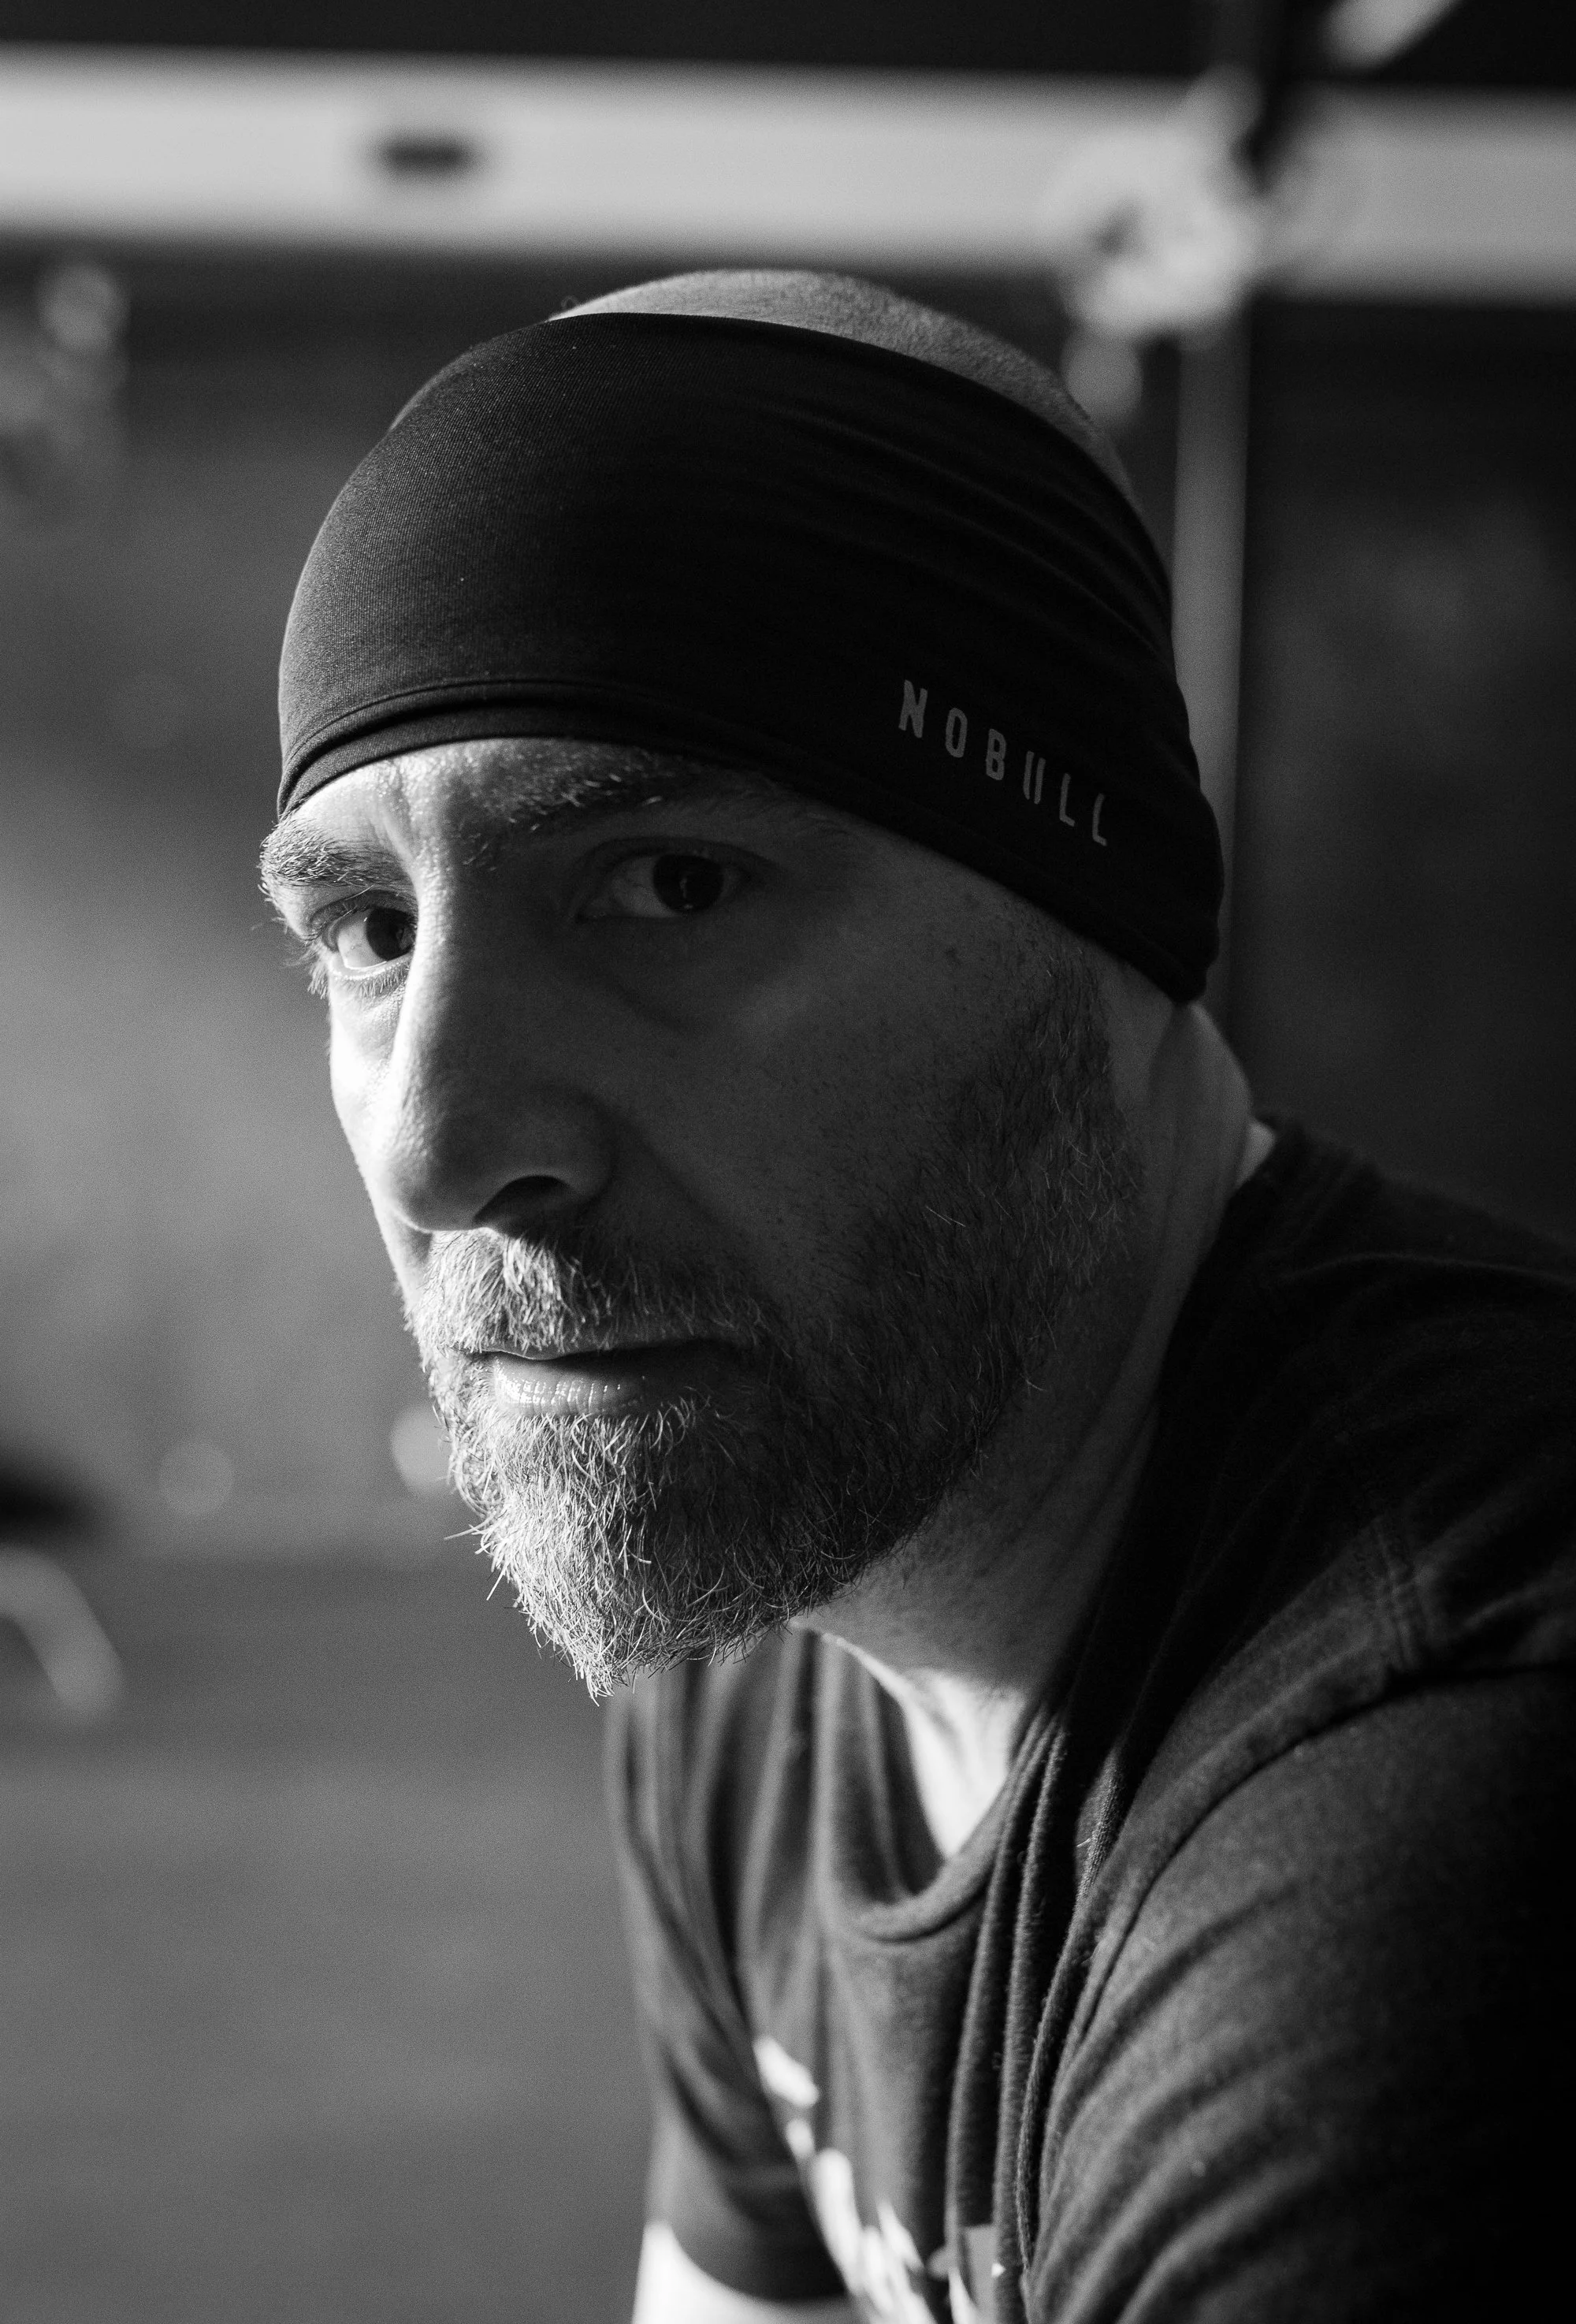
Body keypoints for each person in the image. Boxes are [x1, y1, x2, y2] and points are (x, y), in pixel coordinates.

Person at [260, 270, 1576, 2324]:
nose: (433, 1148)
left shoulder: (1434, 1853)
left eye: (669, 881)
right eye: (368, 927)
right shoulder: (762, 1582)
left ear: (1104, 912)